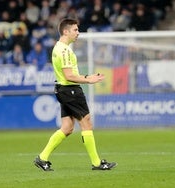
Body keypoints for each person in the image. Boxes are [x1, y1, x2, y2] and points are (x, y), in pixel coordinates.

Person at [34, 18, 117, 171]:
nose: (78, 33)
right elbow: (69, 76)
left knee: (67, 128)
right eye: (75, 30)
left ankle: (42, 158)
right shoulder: (64, 50)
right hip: (70, 89)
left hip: (62, 89)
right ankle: (97, 163)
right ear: (66, 31)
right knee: (86, 123)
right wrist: (88, 79)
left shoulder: (59, 47)